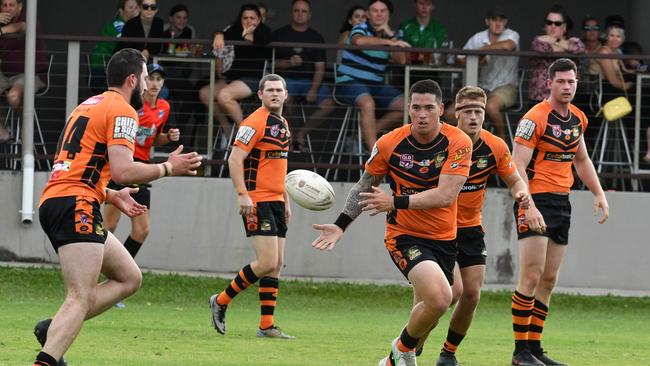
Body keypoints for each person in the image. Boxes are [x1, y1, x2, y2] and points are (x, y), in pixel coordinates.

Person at [31, 48, 201, 366]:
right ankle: (46, 360)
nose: (150, 84)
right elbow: (124, 170)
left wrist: (110, 195)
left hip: (64, 198)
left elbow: (77, 165)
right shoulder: (123, 110)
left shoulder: (88, 105)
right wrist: (168, 167)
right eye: (147, 77)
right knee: (81, 296)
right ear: (133, 79)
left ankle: (53, 329)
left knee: (129, 277)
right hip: (76, 203)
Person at [312, 79, 473, 366]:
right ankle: (401, 349)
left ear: (441, 109)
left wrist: (394, 201)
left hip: (445, 238)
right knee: (439, 298)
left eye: (428, 108)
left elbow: (446, 196)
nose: (421, 114)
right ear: (408, 109)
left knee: (435, 308)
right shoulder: (389, 142)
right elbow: (364, 185)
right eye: (416, 108)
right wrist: (340, 224)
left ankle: (393, 360)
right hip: (404, 236)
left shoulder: (458, 142)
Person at [510, 58, 609, 366]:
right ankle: (519, 351)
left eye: (572, 82)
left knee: (549, 279)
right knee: (532, 275)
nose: (567, 87)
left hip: (561, 202)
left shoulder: (578, 117)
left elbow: (581, 159)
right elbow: (517, 167)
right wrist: (529, 206)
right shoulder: (533, 118)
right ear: (549, 83)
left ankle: (536, 348)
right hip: (535, 199)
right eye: (561, 82)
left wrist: (599, 193)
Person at [431, 86, 530, 366]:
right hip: (438, 226)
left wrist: (521, 192)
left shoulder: (495, 146)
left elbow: (514, 179)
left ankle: (448, 353)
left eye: (479, 111)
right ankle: (412, 340)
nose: (474, 117)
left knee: (472, 294)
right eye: (468, 111)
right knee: (450, 293)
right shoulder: (441, 142)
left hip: (471, 228)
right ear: (455, 114)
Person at [209, 74, 294, 339]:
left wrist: (287, 200)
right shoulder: (254, 121)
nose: (275, 94)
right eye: (269, 90)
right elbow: (235, 159)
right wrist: (242, 194)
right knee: (267, 261)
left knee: (277, 263)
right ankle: (221, 301)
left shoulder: (283, 123)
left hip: (277, 200)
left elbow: (279, 166)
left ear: (286, 94)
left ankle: (266, 325)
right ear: (260, 95)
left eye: (279, 89)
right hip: (257, 199)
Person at [103, 63, 180, 262]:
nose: (154, 84)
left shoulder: (164, 106)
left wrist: (168, 137)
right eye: (150, 78)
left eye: (159, 79)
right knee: (109, 225)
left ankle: (119, 269)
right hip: (123, 163)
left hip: (142, 168)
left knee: (142, 230)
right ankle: (93, 264)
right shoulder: (131, 105)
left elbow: (153, 139)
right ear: (142, 81)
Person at [336, 0, 410, 152]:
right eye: (375, 11)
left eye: (383, 11)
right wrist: (389, 43)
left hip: (376, 85)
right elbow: (359, 41)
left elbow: (401, 60)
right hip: (349, 82)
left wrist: (390, 36)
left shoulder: (393, 36)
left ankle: (364, 136)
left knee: (408, 106)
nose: (379, 14)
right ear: (368, 14)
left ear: (388, 14)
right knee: (367, 103)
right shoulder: (360, 28)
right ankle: (373, 155)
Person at [200, 3, 273, 140]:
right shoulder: (237, 29)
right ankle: (227, 128)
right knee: (205, 93)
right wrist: (218, 36)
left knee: (224, 96)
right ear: (240, 19)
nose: (249, 21)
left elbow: (264, 40)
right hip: (233, 78)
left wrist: (247, 36)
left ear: (258, 19)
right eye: (245, 18)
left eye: (252, 18)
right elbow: (223, 33)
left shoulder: (264, 30)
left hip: (253, 79)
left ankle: (245, 134)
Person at [272, 0, 335, 152]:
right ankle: (291, 134)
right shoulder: (279, 34)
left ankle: (301, 133)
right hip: (286, 81)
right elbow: (271, 64)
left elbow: (320, 68)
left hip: (310, 81)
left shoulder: (316, 37)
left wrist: (314, 89)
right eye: (297, 10)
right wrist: (288, 63)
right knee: (284, 100)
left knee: (329, 105)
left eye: (304, 11)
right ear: (291, 13)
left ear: (309, 15)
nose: (300, 14)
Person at [456, 6, 519, 141]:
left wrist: (483, 50)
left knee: (490, 107)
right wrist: (477, 60)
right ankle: (467, 143)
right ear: (487, 21)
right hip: (482, 86)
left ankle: (502, 141)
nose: (498, 23)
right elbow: (460, 58)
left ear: (505, 22)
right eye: (494, 20)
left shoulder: (512, 34)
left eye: (501, 20)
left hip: (506, 85)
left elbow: (508, 45)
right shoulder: (479, 37)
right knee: (454, 111)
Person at [0, 0, 46, 142]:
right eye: (4, 5)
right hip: (4, 74)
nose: (8, 9)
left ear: (20, 7)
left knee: (13, 96)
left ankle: (25, 130)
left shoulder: (28, 17)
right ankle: (4, 131)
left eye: (11, 5)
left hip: (29, 74)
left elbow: (22, 27)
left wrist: (2, 30)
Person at [528, 5, 585, 103]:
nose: (553, 26)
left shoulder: (573, 41)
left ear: (565, 27)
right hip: (539, 97)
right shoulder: (538, 41)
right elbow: (542, 49)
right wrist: (566, 46)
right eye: (549, 23)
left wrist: (555, 41)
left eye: (557, 23)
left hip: (565, 97)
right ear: (545, 25)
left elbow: (579, 48)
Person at [88, 0, 140, 94]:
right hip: (102, 67)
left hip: (115, 66)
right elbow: (128, 43)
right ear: (121, 10)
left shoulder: (132, 26)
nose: (135, 11)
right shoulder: (118, 25)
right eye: (130, 7)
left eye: (136, 7)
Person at [161, 3, 197, 131]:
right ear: (171, 19)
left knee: (192, 95)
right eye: (178, 17)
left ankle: (179, 130)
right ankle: (167, 130)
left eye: (185, 18)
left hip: (180, 73)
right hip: (163, 74)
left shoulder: (189, 30)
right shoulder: (163, 30)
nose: (182, 21)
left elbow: (192, 54)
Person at [398, 0, 447, 64]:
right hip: (408, 70)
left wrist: (420, 56)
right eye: (421, 3)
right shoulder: (404, 26)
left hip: (432, 71)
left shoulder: (440, 29)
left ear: (432, 7)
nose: (424, 7)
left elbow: (441, 56)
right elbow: (400, 54)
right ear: (415, 5)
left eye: (428, 4)